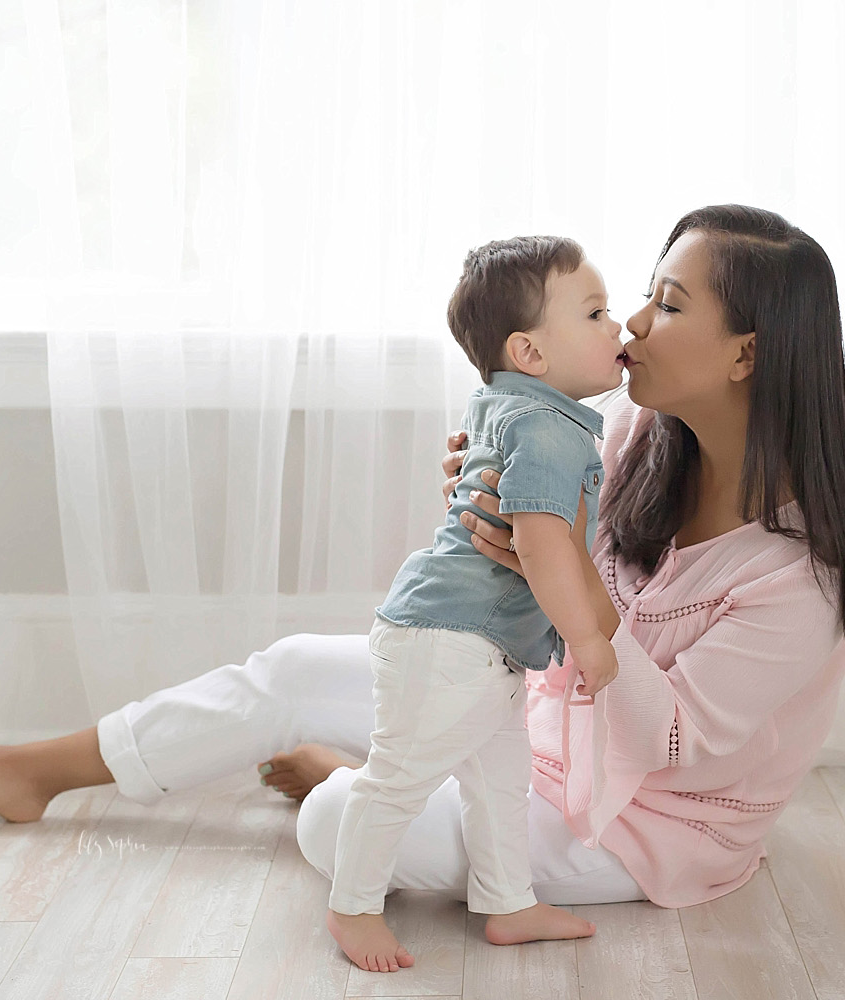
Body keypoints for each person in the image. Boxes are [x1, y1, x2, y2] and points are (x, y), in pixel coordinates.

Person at [0, 202, 845, 967]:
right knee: (289, 667)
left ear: (748, 355)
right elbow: (564, 585)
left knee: (341, 825)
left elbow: (667, 743)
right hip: (532, 709)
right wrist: (506, 503)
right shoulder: (636, 436)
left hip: (633, 826)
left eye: (667, 303)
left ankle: (366, 774)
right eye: (638, 292)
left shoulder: (799, 577)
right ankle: (34, 770)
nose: (631, 321)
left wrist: (568, 589)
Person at [325, 235, 627, 972]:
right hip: (448, 639)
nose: (618, 328)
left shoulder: (513, 407)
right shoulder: (551, 432)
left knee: (499, 779)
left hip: (478, 643)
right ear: (529, 352)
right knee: (398, 776)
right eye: (595, 313)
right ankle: (352, 907)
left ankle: (507, 901)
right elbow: (543, 546)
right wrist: (588, 640)